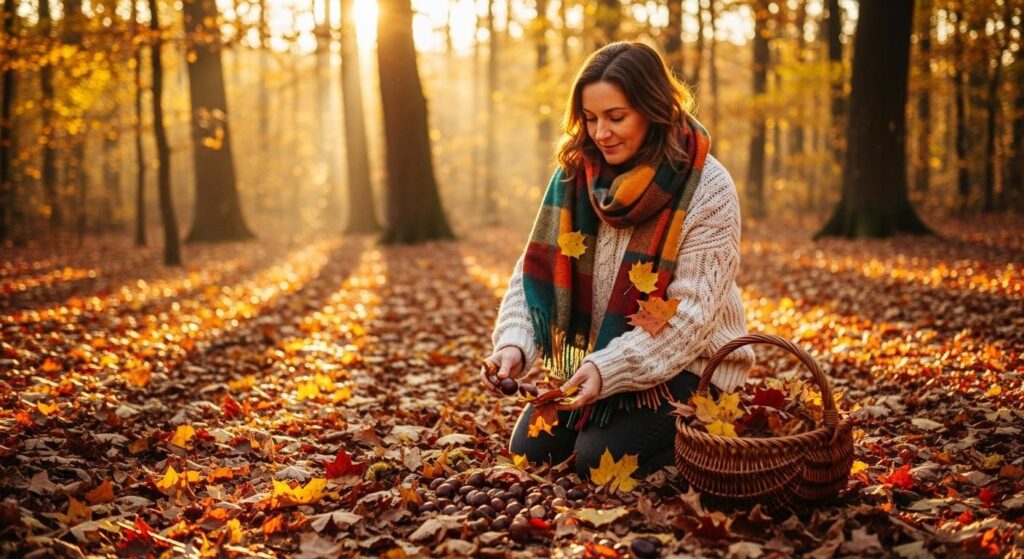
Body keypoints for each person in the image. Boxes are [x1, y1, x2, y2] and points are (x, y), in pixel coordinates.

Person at [481, 41, 755, 480]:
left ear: (654, 109)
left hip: (692, 365)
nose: (600, 134)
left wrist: (608, 368)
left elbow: (691, 317)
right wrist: (514, 344)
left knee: (596, 461)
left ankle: (722, 442)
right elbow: (533, 273)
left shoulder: (708, 187)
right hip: (599, 358)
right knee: (531, 452)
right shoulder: (575, 175)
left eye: (615, 117)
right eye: (589, 119)